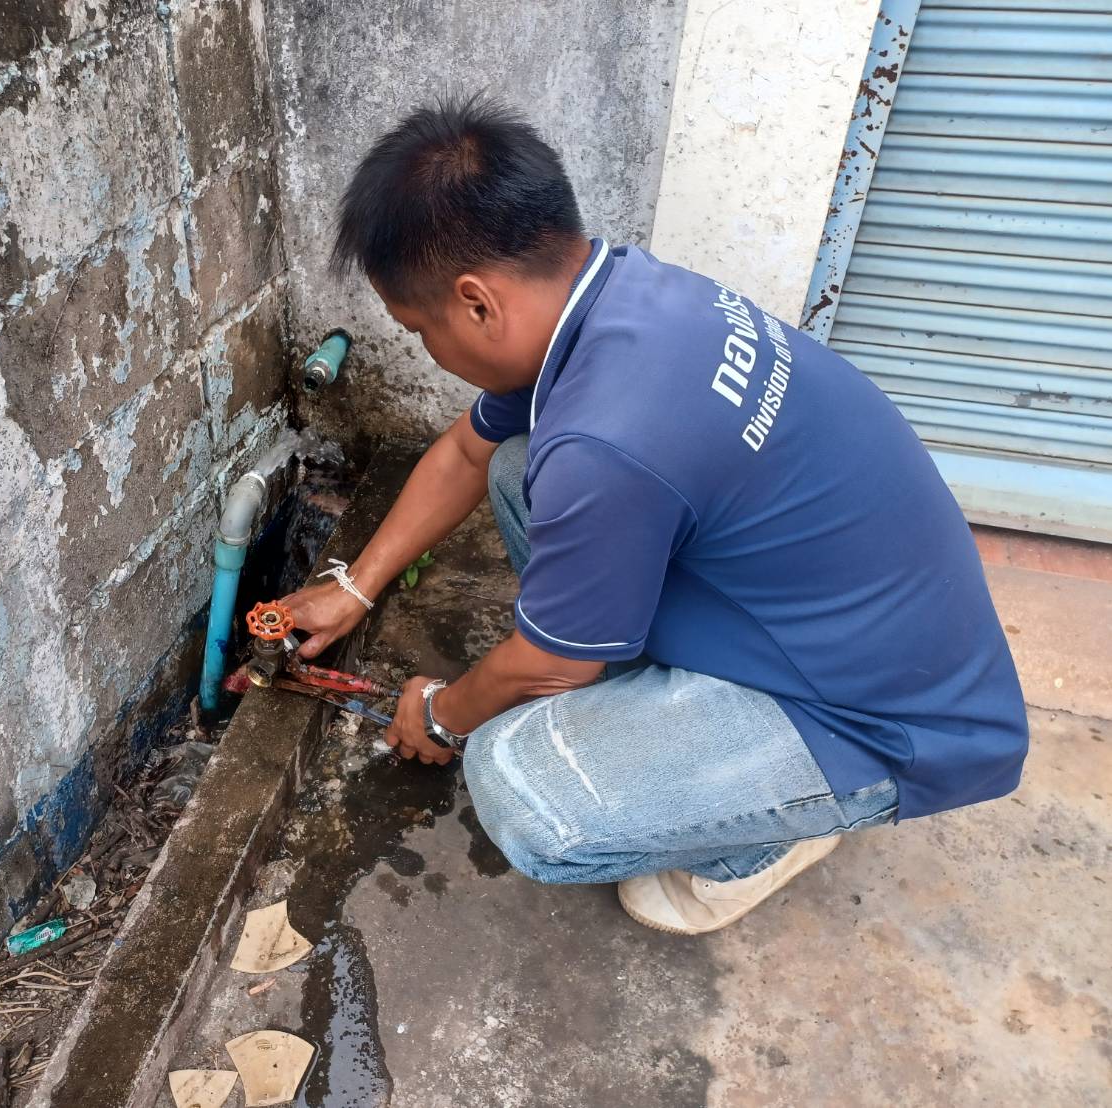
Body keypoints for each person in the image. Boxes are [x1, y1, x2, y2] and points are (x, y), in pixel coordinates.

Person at [280, 94, 1028, 935]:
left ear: (477, 303)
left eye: (419, 328)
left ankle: (761, 841)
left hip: (885, 719)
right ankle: (681, 737)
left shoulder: (605, 439)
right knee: (519, 466)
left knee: (521, 789)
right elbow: (465, 451)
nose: (427, 349)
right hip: (843, 621)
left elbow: (546, 666)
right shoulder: (622, 297)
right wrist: (355, 586)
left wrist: (440, 716)